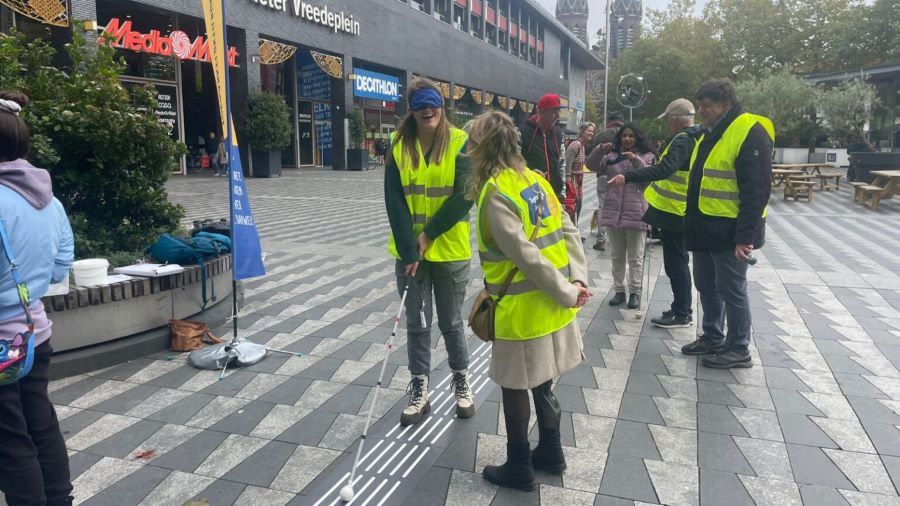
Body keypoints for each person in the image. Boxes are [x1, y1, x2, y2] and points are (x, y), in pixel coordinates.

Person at [465, 111, 591, 491]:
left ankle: (519, 465)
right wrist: (577, 279)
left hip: (522, 309)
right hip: (553, 306)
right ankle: (551, 453)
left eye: (472, 143)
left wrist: (569, 291)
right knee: (542, 381)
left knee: (515, 384)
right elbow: (567, 228)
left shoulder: (495, 193)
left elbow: (526, 256)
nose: (467, 149)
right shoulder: (534, 179)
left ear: (483, 148)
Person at [384, 77, 475, 426]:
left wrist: (428, 236)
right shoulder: (397, 144)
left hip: (450, 252)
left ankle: (461, 383)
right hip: (410, 256)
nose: (428, 111)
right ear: (412, 110)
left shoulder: (461, 143)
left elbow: (464, 196)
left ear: (442, 107)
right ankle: (420, 388)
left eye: (433, 105)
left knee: (451, 322)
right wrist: (410, 249)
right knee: (417, 323)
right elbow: (394, 200)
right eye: (421, 105)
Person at [0, 91, 75, 506]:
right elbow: (61, 264)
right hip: (34, 334)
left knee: (9, 440)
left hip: (0, 343)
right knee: (40, 422)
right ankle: (59, 500)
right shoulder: (49, 201)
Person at [678, 79, 774, 369]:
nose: (701, 111)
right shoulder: (711, 133)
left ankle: (739, 347)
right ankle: (713, 336)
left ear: (726, 104)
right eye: (700, 105)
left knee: (732, 290)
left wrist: (745, 237)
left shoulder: (748, 132)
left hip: (731, 232)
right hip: (705, 229)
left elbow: (756, 191)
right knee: (707, 285)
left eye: (706, 106)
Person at [608, 98, 701, 328]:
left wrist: (627, 176)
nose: (669, 123)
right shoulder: (699, 136)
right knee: (677, 262)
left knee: (676, 263)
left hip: (675, 211)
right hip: (680, 210)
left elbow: (664, 169)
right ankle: (681, 308)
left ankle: (682, 312)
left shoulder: (683, 140)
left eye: (669, 119)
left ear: (675, 119)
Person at [587, 123, 656, 310]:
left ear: (637, 138)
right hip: (614, 211)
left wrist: (635, 159)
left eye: (631, 136)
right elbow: (591, 165)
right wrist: (600, 150)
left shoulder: (647, 156)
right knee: (617, 255)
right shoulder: (611, 156)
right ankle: (619, 290)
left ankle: (635, 292)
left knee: (636, 257)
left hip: (636, 212)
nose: (627, 139)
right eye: (624, 136)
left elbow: (648, 178)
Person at [588, 111, 624, 251]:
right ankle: (619, 240)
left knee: (603, 205)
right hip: (622, 175)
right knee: (621, 205)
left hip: (603, 173)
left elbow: (593, 154)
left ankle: (601, 239)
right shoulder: (627, 134)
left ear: (609, 121)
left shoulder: (602, 135)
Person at [518, 94, 565, 197]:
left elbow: (561, 165)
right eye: (554, 112)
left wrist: (563, 193)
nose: (557, 116)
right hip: (531, 193)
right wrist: (529, 174)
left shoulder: (558, 134)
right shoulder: (522, 132)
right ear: (542, 111)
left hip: (554, 194)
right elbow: (513, 163)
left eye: (558, 112)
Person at [564, 122, 595, 234]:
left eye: (592, 131)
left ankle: (574, 229)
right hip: (572, 181)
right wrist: (568, 181)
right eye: (589, 130)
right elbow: (567, 164)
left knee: (578, 206)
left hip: (579, 181)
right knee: (572, 208)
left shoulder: (582, 146)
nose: (591, 133)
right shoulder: (575, 145)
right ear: (582, 131)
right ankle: (570, 231)